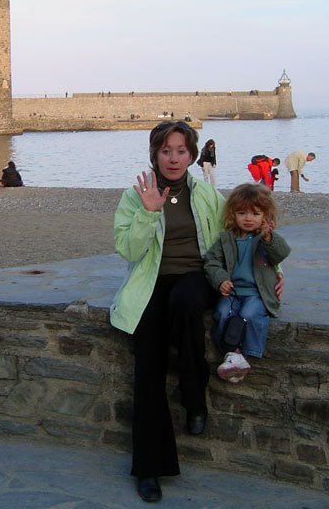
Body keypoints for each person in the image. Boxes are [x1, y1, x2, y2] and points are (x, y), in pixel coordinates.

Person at [110, 121, 226, 503]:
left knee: (187, 302)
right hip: (152, 281)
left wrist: (272, 272)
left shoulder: (208, 195)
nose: (173, 158)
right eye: (165, 151)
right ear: (154, 155)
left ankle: (195, 396)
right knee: (148, 366)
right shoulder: (134, 196)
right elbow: (128, 251)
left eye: (180, 151)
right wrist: (147, 213)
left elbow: (240, 238)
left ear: (192, 155)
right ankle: (148, 468)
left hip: (196, 276)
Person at [203, 183, 291, 383]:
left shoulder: (264, 240)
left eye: (255, 214)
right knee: (222, 313)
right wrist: (221, 280)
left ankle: (246, 353)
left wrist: (269, 237)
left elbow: (281, 253)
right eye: (242, 213)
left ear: (265, 217)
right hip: (232, 292)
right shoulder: (226, 239)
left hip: (257, 293)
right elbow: (211, 262)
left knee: (248, 314)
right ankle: (229, 352)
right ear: (233, 215)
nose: (248, 218)